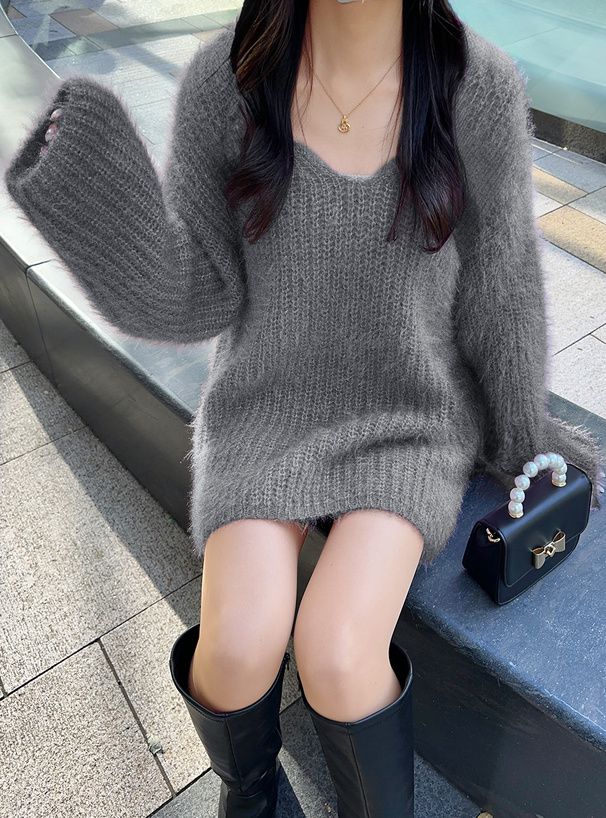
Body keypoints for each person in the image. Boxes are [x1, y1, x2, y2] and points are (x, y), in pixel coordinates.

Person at [5, 1, 604, 816]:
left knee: (340, 651)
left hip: (409, 417)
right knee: (235, 650)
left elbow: (502, 287)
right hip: (266, 407)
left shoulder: (477, 86)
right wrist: (103, 208)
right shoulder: (227, 80)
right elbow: (198, 294)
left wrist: (522, 433)